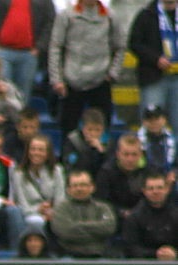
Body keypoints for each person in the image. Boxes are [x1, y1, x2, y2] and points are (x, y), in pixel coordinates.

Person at [50, 169, 136, 265]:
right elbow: (64, 231)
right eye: (75, 185)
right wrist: (95, 230)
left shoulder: (103, 207)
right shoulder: (61, 209)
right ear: (69, 189)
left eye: (83, 185)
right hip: (71, 259)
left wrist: (77, 227)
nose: (79, 189)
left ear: (92, 187)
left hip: (98, 259)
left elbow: (109, 228)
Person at [47, 0, 124, 136]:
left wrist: (113, 74)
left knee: (102, 129)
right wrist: (57, 79)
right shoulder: (66, 15)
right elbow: (55, 47)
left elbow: (120, 47)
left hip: (101, 81)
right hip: (72, 82)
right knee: (68, 131)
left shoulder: (111, 17)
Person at [0, 0, 55, 102]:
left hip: (29, 54)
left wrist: (39, 47)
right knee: (0, 94)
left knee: (22, 98)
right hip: (1, 51)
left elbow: (50, 20)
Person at [122, 171, 178, 265]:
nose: (155, 191)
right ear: (144, 191)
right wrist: (156, 254)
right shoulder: (134, 217)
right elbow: (130, 248)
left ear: (167, 189)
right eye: (151, 188)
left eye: (159, 188)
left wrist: (174, 254)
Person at [129, 0, 178, 135]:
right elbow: (134, 43)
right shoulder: (146, 15)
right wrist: (155, 59)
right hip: (154, 78)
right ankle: (149, 154)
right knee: (152, 124)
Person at [11, 133, 64, 230]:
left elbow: (60, 199)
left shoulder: (57, 171)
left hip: (53, 213)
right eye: (33, 149)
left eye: (41, 150)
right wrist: (38, 209)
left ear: (47, 153)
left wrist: (52, 212)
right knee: (37, 222)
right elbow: (21, 205)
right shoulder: (18, 174)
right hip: (31, 214)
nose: (36, 153)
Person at [94, 133, 147, 223]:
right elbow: (101, 202)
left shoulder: (147, 172)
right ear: (118, 154)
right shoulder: (106, 173)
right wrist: (121, 212)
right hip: (114, 219)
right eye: (126, 154)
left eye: (134, 154)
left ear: (140, 155)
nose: (130, 159)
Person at [61, 106, 109, 177]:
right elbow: (69, 166)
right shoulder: (73, 141)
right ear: (82, 128)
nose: (93, 134)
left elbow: (108, 169)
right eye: (90, 129)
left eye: (98, 130)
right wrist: (88, 150)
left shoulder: (108, 143)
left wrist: (101, 153)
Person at [136, 104, 178, 176]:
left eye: (157, 119)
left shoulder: (174, 141)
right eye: (149, 119)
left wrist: (174, 173)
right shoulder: (135, 140)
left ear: (164, 120)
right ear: (143, 122)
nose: (153, 122)